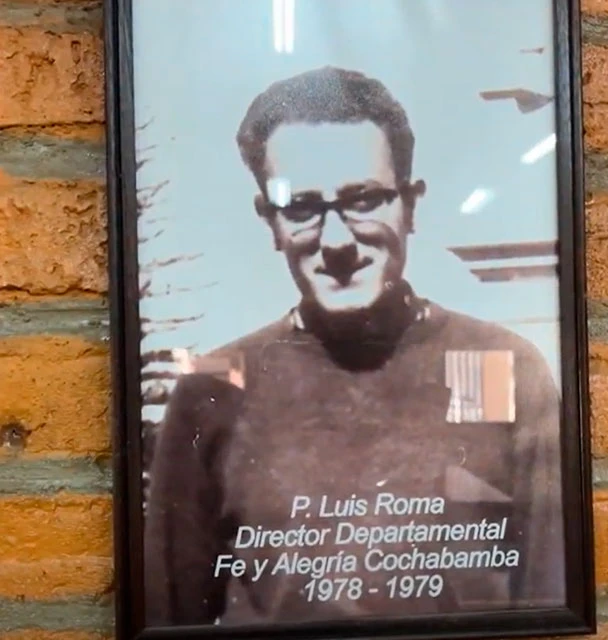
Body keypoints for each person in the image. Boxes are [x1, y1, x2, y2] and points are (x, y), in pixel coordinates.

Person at [143, 66, 565, 627]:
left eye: (363, 200)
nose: (337, 240)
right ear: (269, 221)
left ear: (410, 205)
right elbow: (169, 622)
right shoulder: (213, 393)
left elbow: (548, 602)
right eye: (301, 208)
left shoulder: (505, 369)